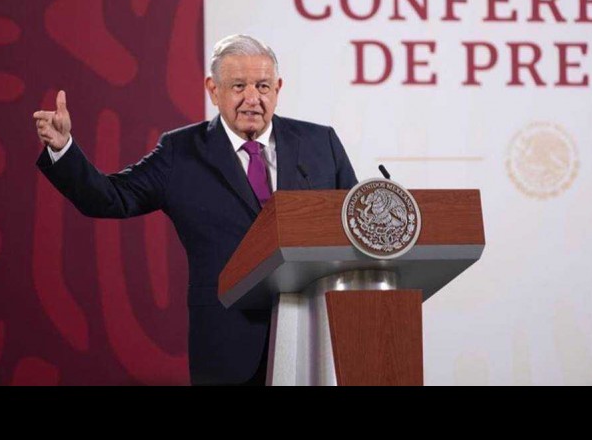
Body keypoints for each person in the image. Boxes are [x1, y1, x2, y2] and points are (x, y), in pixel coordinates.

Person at [33, 34, 358, 385]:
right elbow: (111, 197)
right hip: (227, 342)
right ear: (213, 90)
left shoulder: (320, 143)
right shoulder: (181, 152)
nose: (252, 98)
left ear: (278, 88)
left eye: (263, 86)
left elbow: (357, 230)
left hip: (315, 338)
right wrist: (63, 149)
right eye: (238, 86)